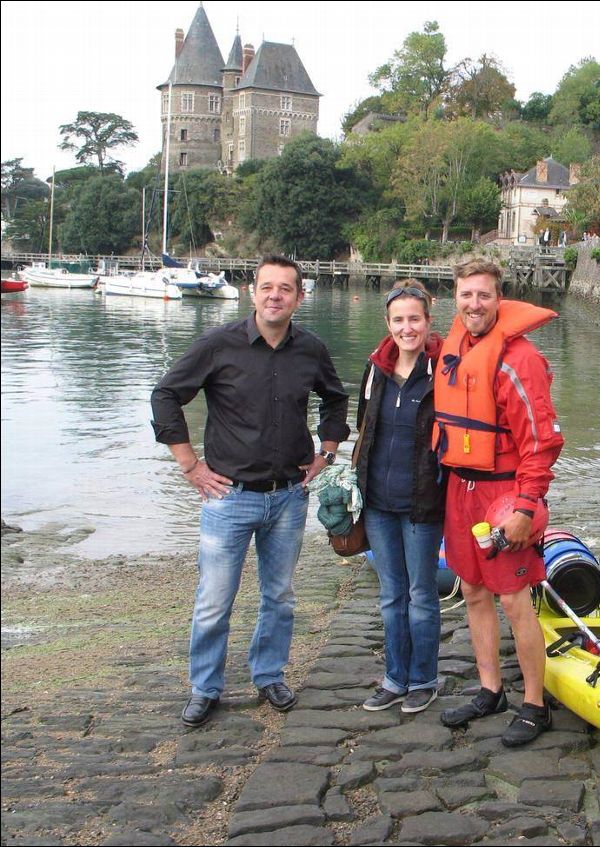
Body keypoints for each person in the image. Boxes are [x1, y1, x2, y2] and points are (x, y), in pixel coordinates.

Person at [151, 255, 350, 727]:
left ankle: (269, 674)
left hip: (289, 496)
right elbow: (165, 395)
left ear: (300, 297)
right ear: (252, 292)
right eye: (267, 287)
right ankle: (205, 687)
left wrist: (328, 452)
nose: (275, 295)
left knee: (279, 596)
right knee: (215, 599)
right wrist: (190, 466)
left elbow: (337, 397)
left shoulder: (311, 349)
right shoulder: (218, 345)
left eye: (286, 288)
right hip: (229, 497)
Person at [435, 258, 564, 747]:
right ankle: (490, 689)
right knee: (471, 590)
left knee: (514, 600)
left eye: (484, 295)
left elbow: (542, 441)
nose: (474, 304)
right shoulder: (456, 350)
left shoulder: (520, 359)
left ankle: (535, 703)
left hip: (504, 492)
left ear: (499, 297)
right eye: (466, 295)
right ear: (456, 297)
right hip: (460, 489)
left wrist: (526, 507)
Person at [354, 279, 446, 714]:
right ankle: (395, 678)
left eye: (414, 319)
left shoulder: (444, 370)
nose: (406, 328)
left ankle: (424, 679)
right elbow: (363, 429)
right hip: (378, 504)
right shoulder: (375, 370)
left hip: (422, 503)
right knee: (391, 595)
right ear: (387, 323)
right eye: (398, 320)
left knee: (422, 595)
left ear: (428, 321)